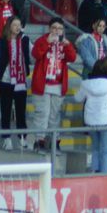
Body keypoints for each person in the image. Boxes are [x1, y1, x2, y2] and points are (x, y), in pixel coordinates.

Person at [28, 18, 76, 151]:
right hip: (42, 85)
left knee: (55, 115)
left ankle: (54, 141)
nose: (56, 31)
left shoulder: (64, 43)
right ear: (49, 29)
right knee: (42, 114)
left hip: (58, 85)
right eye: (54, 28)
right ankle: (39, 141)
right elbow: (35, 54)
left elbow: (72, 58)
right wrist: (46, 42)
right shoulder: (42, 40)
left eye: (59, 28)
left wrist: (68, 45)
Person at [0, 16, 30, 151]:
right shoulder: (1, 42)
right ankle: (6, 139)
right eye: (15, 25)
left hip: (21, 82)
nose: (18, 27)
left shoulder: (25, 40)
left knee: (21, 112)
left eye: (19, 25)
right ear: (9, 27)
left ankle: (22, 138)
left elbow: (34, 54)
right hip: (6, 80)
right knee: (5, 111)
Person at [76, 57, 107, 172]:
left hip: (91, 120)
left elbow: (77, 98)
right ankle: (104, 173)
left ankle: (95, 171)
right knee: (106, 150)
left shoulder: (86, 84)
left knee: (95, 148)